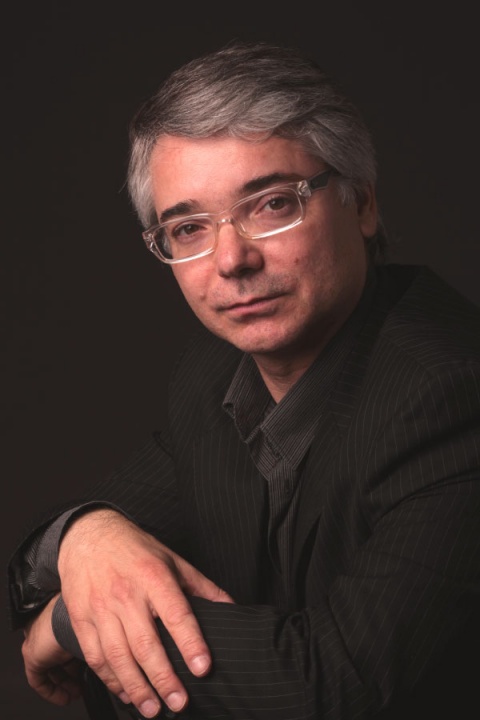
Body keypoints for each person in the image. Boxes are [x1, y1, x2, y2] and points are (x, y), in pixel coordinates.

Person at [8, 40, 480, 720]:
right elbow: (75, 539)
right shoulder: (212, 377)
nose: (230, 260)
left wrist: (77, 623)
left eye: (272, 204)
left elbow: (331, 685)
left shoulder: (452, 392)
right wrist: (85, 535)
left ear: (362, 204)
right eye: (188, 227)